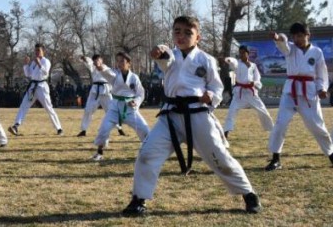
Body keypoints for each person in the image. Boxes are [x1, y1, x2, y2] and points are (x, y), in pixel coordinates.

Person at [122, 16, 261, 216]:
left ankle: (248, 193)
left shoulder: (206, 59)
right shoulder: (170, 56)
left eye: (188, 32)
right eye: (177, 31)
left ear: (198, 37)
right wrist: (158, 51)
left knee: (220, 157)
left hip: (197, 114)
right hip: (170, 116)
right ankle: (139, 199)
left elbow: (216, 87)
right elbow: (164, 55)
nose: (182, 36)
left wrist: (211, 96)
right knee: (147, 154)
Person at [265, 22, 333, 171]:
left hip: (309, 92)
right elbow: (283, 44)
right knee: (280, 124)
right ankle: (276, 158)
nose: (297, 39)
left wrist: (322, 88)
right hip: (290, 92)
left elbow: (322, 74)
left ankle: (331, 153)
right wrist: (277, 37)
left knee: (317, 126)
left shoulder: (317, 52)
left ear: (308, 35)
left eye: (300, 35)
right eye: (295, 36)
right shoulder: (290, 49)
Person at [91, 52, 149, 161]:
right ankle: (99, 152)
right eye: (118, 61)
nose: (119, 63)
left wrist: (135, 102)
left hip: (130, 108)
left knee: (144, 129)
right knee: (104, 129)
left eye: (122, 61)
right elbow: (106, 72)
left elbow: (141, 93)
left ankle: (148, 151)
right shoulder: (115, 75)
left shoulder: (134, 78)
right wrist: (99, 66)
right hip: (115, 107)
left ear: (128, 63)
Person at [8, 43, 63, 136]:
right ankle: (16, 126)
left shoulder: (46, 61)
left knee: (48, 108)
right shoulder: (33, 62)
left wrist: (39, 64)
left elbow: (46, 72)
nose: (37, 52)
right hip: (33, 86)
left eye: (39, 50)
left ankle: (59, 128)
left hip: (42, 86)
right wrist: (26, 65)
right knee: (24, 105)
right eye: (36, 50)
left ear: (43, 51)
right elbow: (28, 74)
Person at [222, 45, 274, 140]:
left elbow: (258, 79)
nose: (241, 54)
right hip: (239, 94)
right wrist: (228, 60)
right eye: (240, 53)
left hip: (251, 93)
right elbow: (233, 62)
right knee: (231, 111)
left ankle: (272, 130)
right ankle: (225, 133)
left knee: (263, 110)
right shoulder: (238, 64)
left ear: (248, 53)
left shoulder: (253, 66)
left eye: (243, 52)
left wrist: (254, 83)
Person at [76, 54, 126, 137]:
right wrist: (85, 58)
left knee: (111, 110)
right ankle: (83, 130)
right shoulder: (93, 67)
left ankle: (119, 128)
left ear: (101, 60)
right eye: (95, 61)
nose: (96, 62)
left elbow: (112, 75)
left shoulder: (106, 67)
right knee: (88, 110)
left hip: (105, 91)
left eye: (98, 60)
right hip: (95, 91)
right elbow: (89, 62)